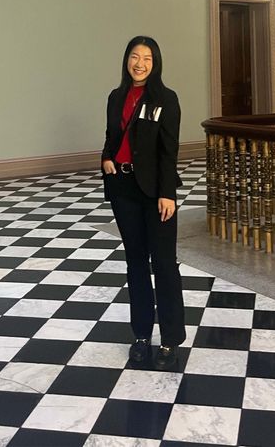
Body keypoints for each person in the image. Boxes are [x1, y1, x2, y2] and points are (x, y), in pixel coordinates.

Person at [101, 36, 186, 370]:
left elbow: (170, 150)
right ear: (126, 60)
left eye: (147, 58)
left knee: (163, 264)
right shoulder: (116, 96)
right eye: (135, 57)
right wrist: (106, 158)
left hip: (155, 192)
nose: (140, 63)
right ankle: (140, 335)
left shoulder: (166, 99)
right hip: (123, 188)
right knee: (135, 263)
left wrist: (168, 193)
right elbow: (111, 135)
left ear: (156, 63)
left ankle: (170, 339)